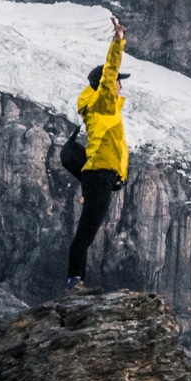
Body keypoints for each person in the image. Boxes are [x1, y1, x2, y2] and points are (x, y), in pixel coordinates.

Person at [66, 16, 129, 291]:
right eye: (118, 82)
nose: (120, 86)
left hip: (100, 176)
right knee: (86, 233)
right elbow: (109, 74)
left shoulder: (105, 109)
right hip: (100, 175)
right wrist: (118, 41)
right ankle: (75, 281)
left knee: (87, 231)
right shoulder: (103, 103)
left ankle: (77, 281)